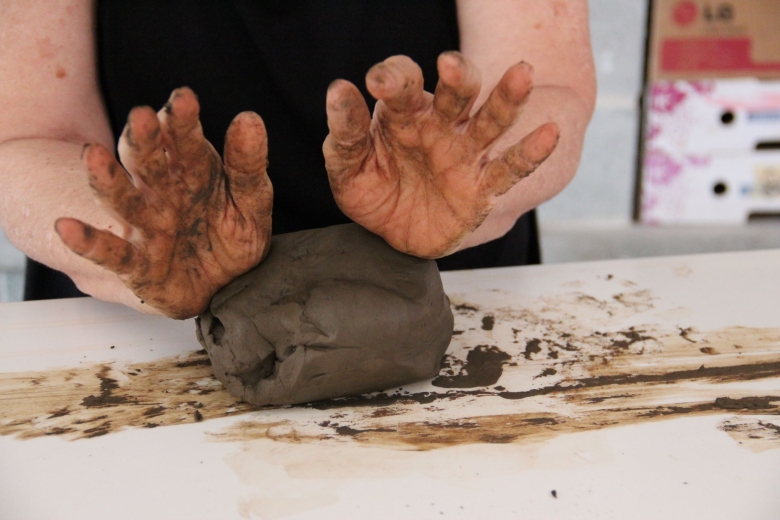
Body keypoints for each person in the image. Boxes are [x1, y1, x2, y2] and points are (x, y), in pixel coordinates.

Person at [0, 1, 595, 319]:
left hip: (449, 302)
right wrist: (133, 239)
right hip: (142, 323)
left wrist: (474, 174)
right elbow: (27, 136)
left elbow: (552, 86)